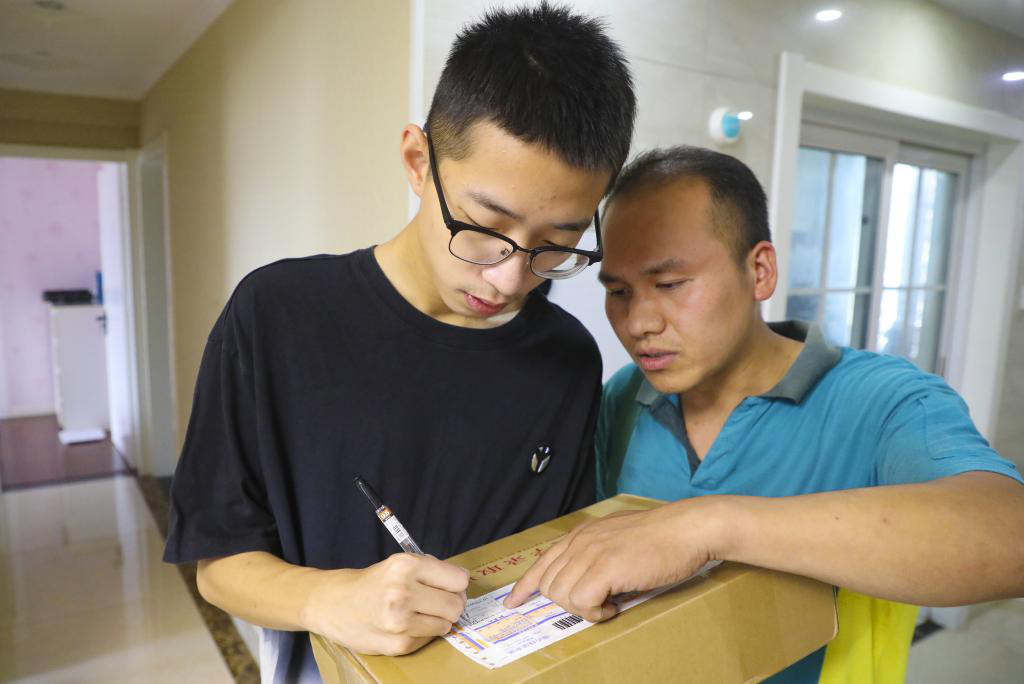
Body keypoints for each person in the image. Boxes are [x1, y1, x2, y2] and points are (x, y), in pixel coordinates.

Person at [162, 5, 636, 682]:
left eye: (556, 245)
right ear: (418, 162)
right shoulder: (279, 316)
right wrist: (330, 598)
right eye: (484, 227)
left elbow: (556, 553)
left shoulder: (568, 358)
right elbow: (218, 562)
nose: (509, 279)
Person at [506, 146, 1024, 683]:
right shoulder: (627, 396)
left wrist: (707, 526)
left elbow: (1011, 537)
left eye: (670, 284)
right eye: (618, 291)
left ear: (759, 271)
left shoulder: (882, 399)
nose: (638, 322)